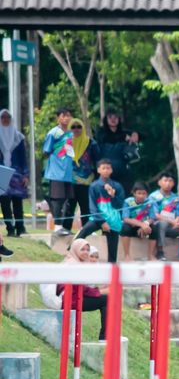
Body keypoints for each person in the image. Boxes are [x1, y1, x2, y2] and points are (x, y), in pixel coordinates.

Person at [73, 159, 126, 263]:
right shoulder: (94, 186)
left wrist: (113, 196)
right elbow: (92, 207)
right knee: (83, 232)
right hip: (98, 218)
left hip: (113, 220)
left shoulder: (117, 186)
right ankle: (71, 254)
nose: (106, 170)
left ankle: (111, 272)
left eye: (108, 168)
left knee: (112, 250)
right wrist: (102, 222)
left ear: (111, 170)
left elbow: (119, 205)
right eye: (103, 168)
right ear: (98, 170)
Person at [59, 239, 108, 339]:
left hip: (73, 298)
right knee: (108, 299)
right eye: (83, 249)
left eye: (87, 250)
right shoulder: (73, 264)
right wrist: (100, 292)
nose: (86, 252)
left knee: (107, 298)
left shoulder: (77, 262)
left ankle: (105, 336)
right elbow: (80, 289)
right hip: (69, 300)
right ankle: (105, 337)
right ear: (76, 249)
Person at [43, 107, 76, 235]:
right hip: (56, 172)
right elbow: (46, 151)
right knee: (57, 198)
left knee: (66, 199)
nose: (66, 118)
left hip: (68, 171)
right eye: (63, 115)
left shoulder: (72, 134)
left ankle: (64, 227)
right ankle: (57, 226)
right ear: (58, 117)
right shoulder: (53, 133)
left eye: (68, 115)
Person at [0, 108, 29, 237]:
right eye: (3, 117)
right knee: (5, 203)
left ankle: (20, 228)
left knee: (18, 202)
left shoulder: (18, 137)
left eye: (8, 117)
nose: (5, 120)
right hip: (1, 171)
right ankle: (10, 229)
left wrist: (26, 174)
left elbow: (23, 157)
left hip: (17, 173)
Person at [95, 110, 139, 191]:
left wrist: (135, 133)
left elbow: (143, 135)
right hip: (105, 169)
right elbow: (106, 138)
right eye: (110, 117)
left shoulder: (123, 132)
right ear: (106, 119)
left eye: (115, 117)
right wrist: (123, 137)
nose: (113, 119)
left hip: (122, 170)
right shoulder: (101, 131)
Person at [69, 119, 100, 232]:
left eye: (79, 127)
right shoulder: (66, 143)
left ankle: (86, 230)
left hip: (87, 180)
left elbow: (98, 161)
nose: (76, 129)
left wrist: (97, 179)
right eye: (73, 127)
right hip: (69, 180)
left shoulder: (91, 143)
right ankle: (65, 229)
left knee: (86, 207)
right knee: (69, 206)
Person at [149, 172, 179, 261]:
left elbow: (178, 214)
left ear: (174, 183)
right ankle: (160, 251)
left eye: (170, 181)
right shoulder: (153, 196)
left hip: (173, 225)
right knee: (162, 223)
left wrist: (177, 221)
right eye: (165, 180)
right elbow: (155, 215)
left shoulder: (176, 197)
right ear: (159, 182)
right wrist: (172, 222)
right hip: (158, 223)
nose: (168, 183)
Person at [120, 182, 157, 261]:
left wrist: (146, 224)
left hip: (144, 228)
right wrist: (141, 225)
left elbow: (152, 218)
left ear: (147, 194)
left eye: (144, 193)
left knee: (154, 228)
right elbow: (125, 218)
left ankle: (151, 255)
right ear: (134, 193)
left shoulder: (149, 202)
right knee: (125, 227)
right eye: (139, 193)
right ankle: (127, 255)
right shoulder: (128, 202)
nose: (141, 196)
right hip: (131, 226)